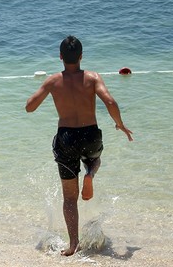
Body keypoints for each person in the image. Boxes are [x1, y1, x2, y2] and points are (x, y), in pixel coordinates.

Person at [25, 35, 133, 256]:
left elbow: (29, 107)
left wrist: (48, 89)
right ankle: (91, 174)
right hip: (90, 134)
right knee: (96, 158)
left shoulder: (53, 81)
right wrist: (120, 125)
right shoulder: (93, 78)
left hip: (66, 138)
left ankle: (73, 244)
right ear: (82, 56)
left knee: (69, 198)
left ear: (60, 57)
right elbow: (110, 102)